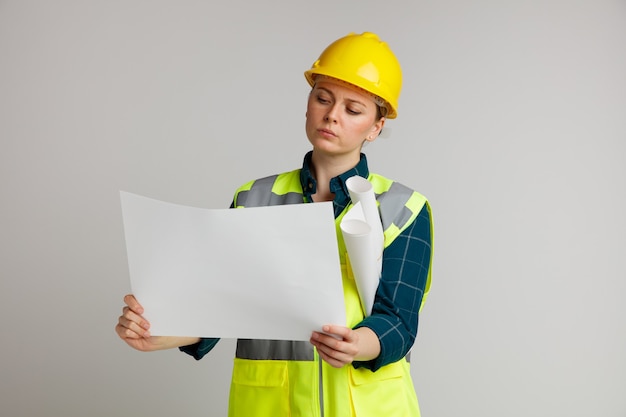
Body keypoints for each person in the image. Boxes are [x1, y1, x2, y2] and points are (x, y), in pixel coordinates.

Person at [116, 31, 433, 417]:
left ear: (376, 127)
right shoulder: (252, 199)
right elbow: (223, 305)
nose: (332, 114)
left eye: (353, 109)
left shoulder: (404, 208)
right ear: (307, 104)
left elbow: (398, 321)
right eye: (322, 98)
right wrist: (158, 331)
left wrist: (360, 343)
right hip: (268, 406)